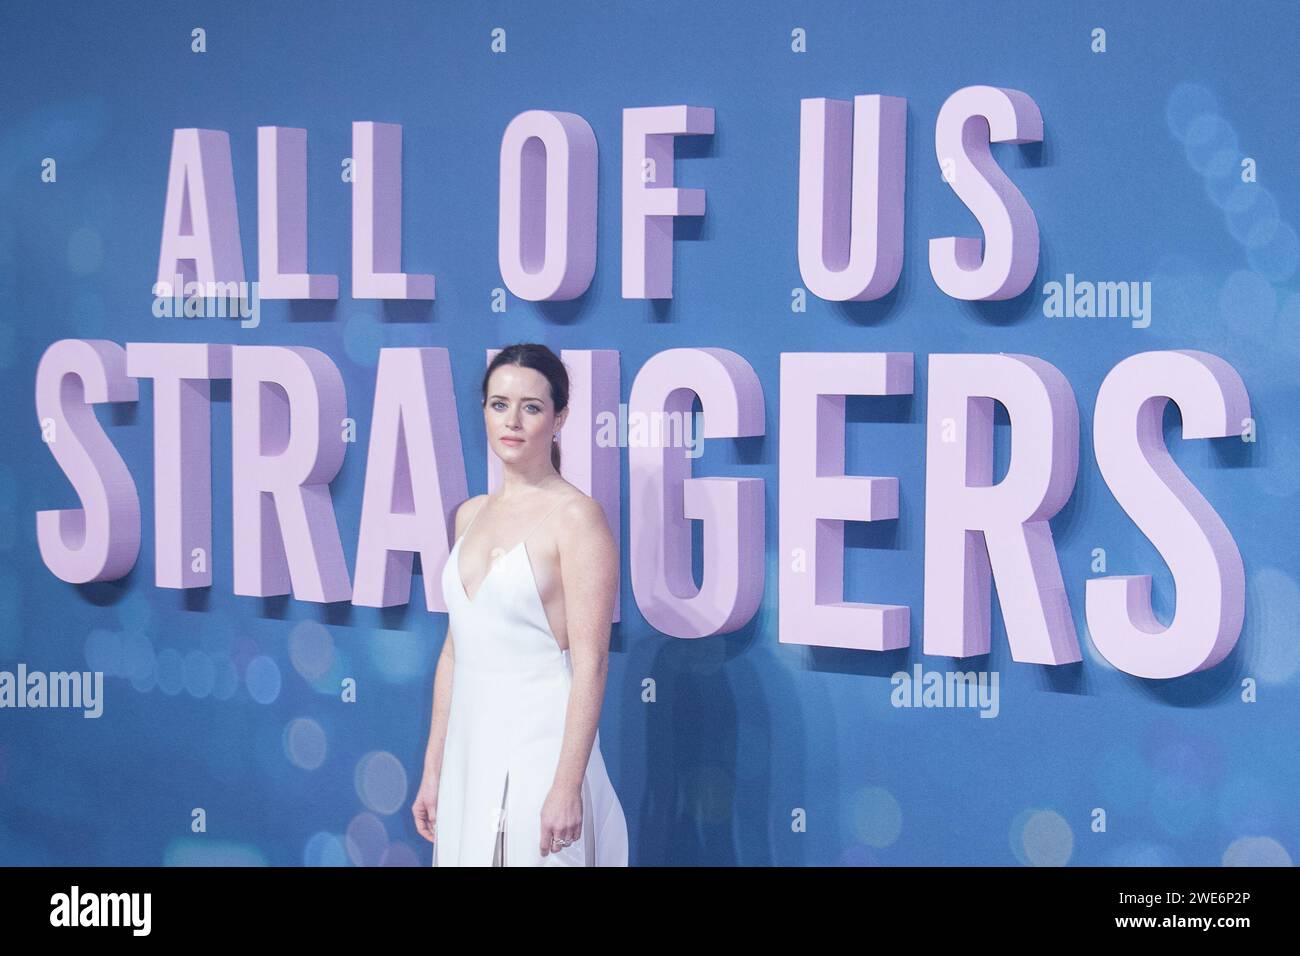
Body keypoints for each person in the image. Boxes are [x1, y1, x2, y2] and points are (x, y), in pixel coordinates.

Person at [412, 343, 629, 866]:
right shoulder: (469, 515)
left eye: (531, 407)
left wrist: (566, 784)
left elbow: (591, 662)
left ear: (560, 419)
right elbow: (454, 653)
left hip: (542, 752)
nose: (512, 421)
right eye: (498, 404)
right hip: (470, 753)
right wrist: (434, 767)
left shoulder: (577, 518)